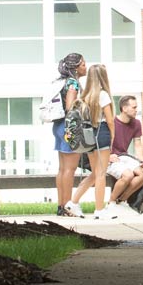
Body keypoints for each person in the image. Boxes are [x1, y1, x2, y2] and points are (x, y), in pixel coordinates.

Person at [69, 64, 118, 219]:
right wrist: (113, 136)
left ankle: (73, 202)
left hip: (88, 134)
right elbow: (110, 120)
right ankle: (99, 210)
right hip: (101, 132)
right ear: (103, 77)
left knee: (95, 173)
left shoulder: (84, 95)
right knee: (101, 173)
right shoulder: (103, 95)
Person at [53, 53, 88, 217]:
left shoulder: (62, 82)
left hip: (59, 125)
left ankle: (61, 205)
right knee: (70, 169)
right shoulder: (73, 83)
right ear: (75, 67)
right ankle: (68, 206)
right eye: (83, 64)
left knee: (62, 169)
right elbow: (70, 107)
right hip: (70, 127)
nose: (85, 67)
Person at [104, 95, 143, 214]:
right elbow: (101, 143)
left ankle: (122, 201)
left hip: (124, 157)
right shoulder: (111, 122)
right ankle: (111, 203)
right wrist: (108, 156)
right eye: (134, 107)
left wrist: (142, 161)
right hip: (110, 158)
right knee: (128, 175)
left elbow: (138, 145)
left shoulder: (136, 123)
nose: (136, 110)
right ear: (124, 108)